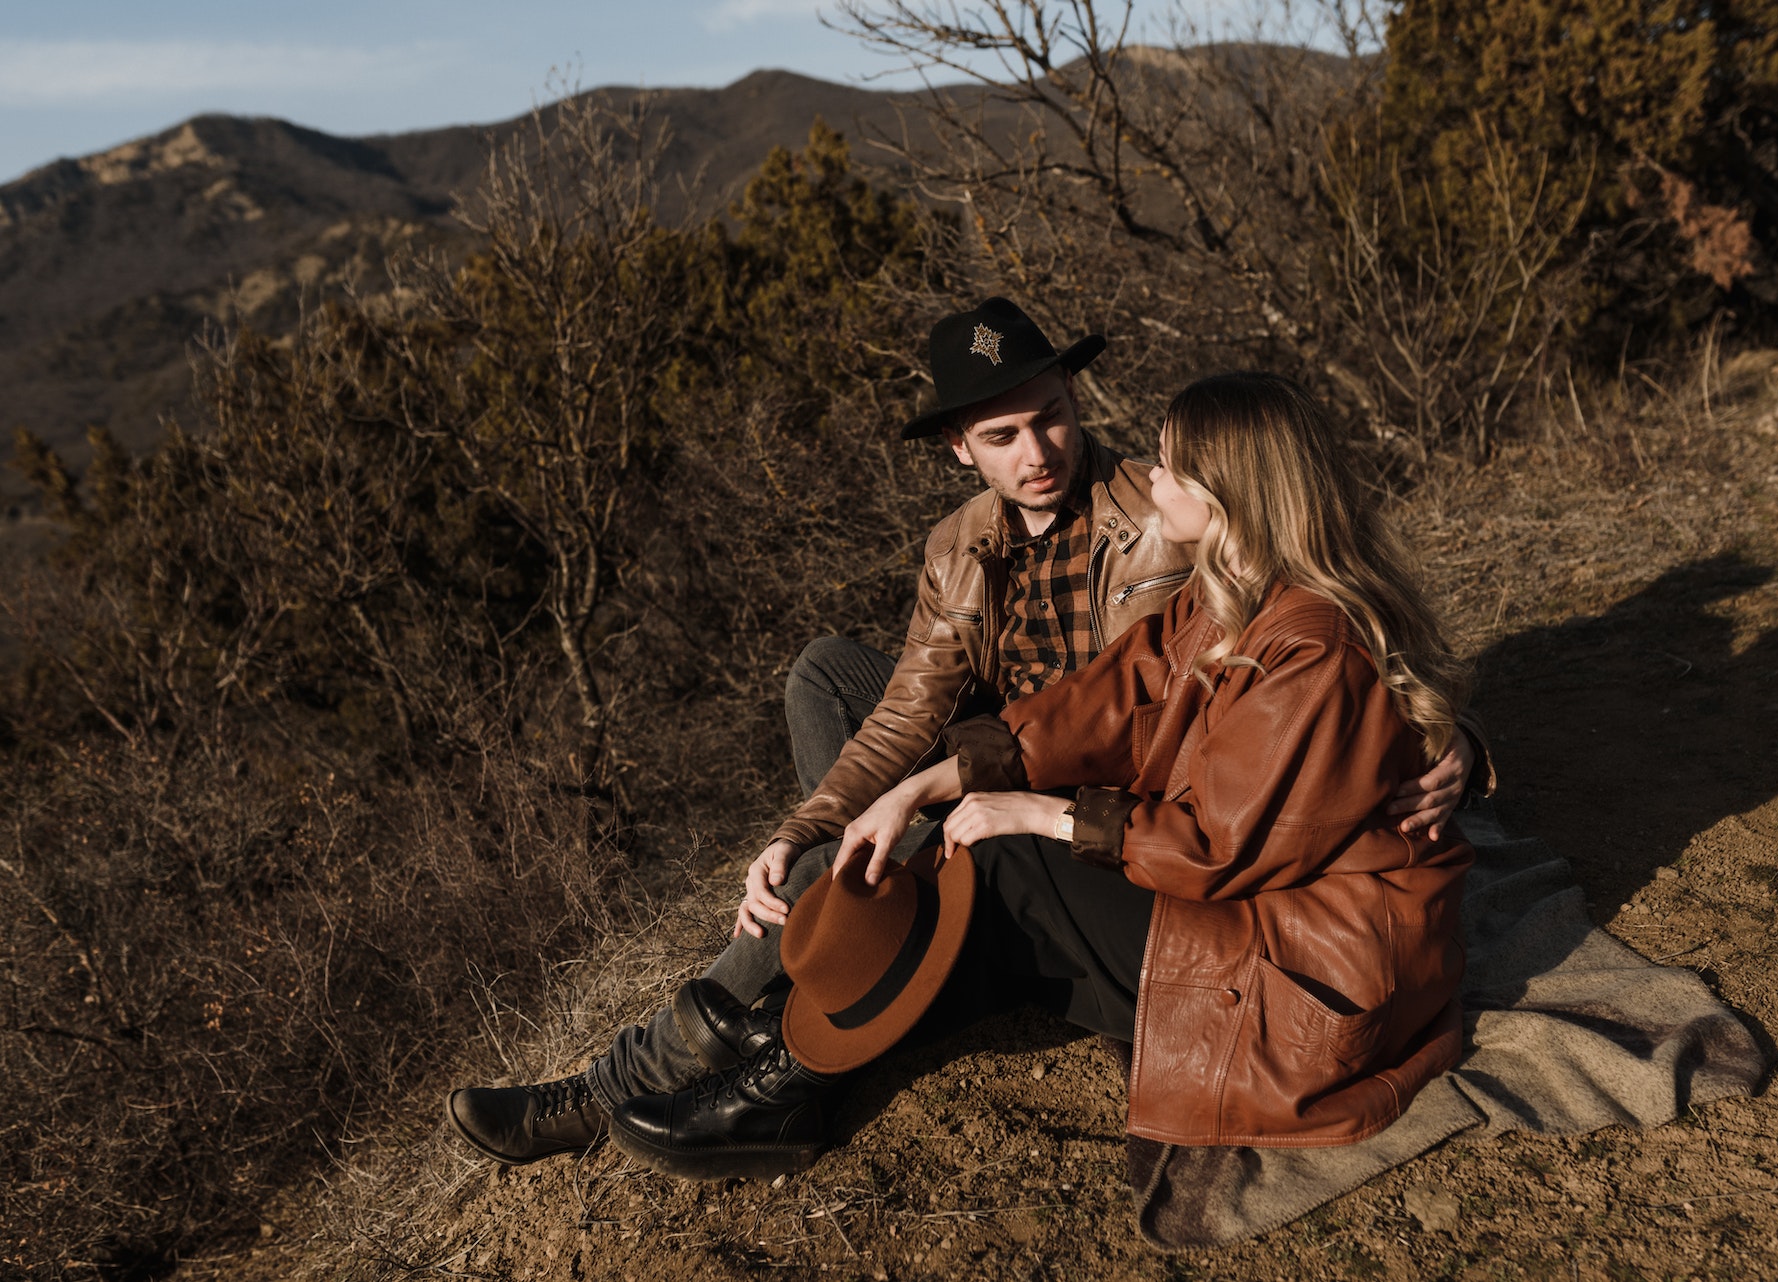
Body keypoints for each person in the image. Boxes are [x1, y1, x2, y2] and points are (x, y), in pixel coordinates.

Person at [444, 303, 1484, 1166]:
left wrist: (1448, 745)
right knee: (833, 691)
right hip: (1064, 768)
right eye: (1002, 435)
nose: (1042, 453)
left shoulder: (1196, 556)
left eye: (1057, 419)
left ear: (1216, 493)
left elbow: (1241, 774)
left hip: (1198, 872)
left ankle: (689, 1072)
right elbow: (1036, 701)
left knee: (992, 864)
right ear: (960, 448)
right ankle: (829, 943)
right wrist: (869, 802)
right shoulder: (1001, 552)